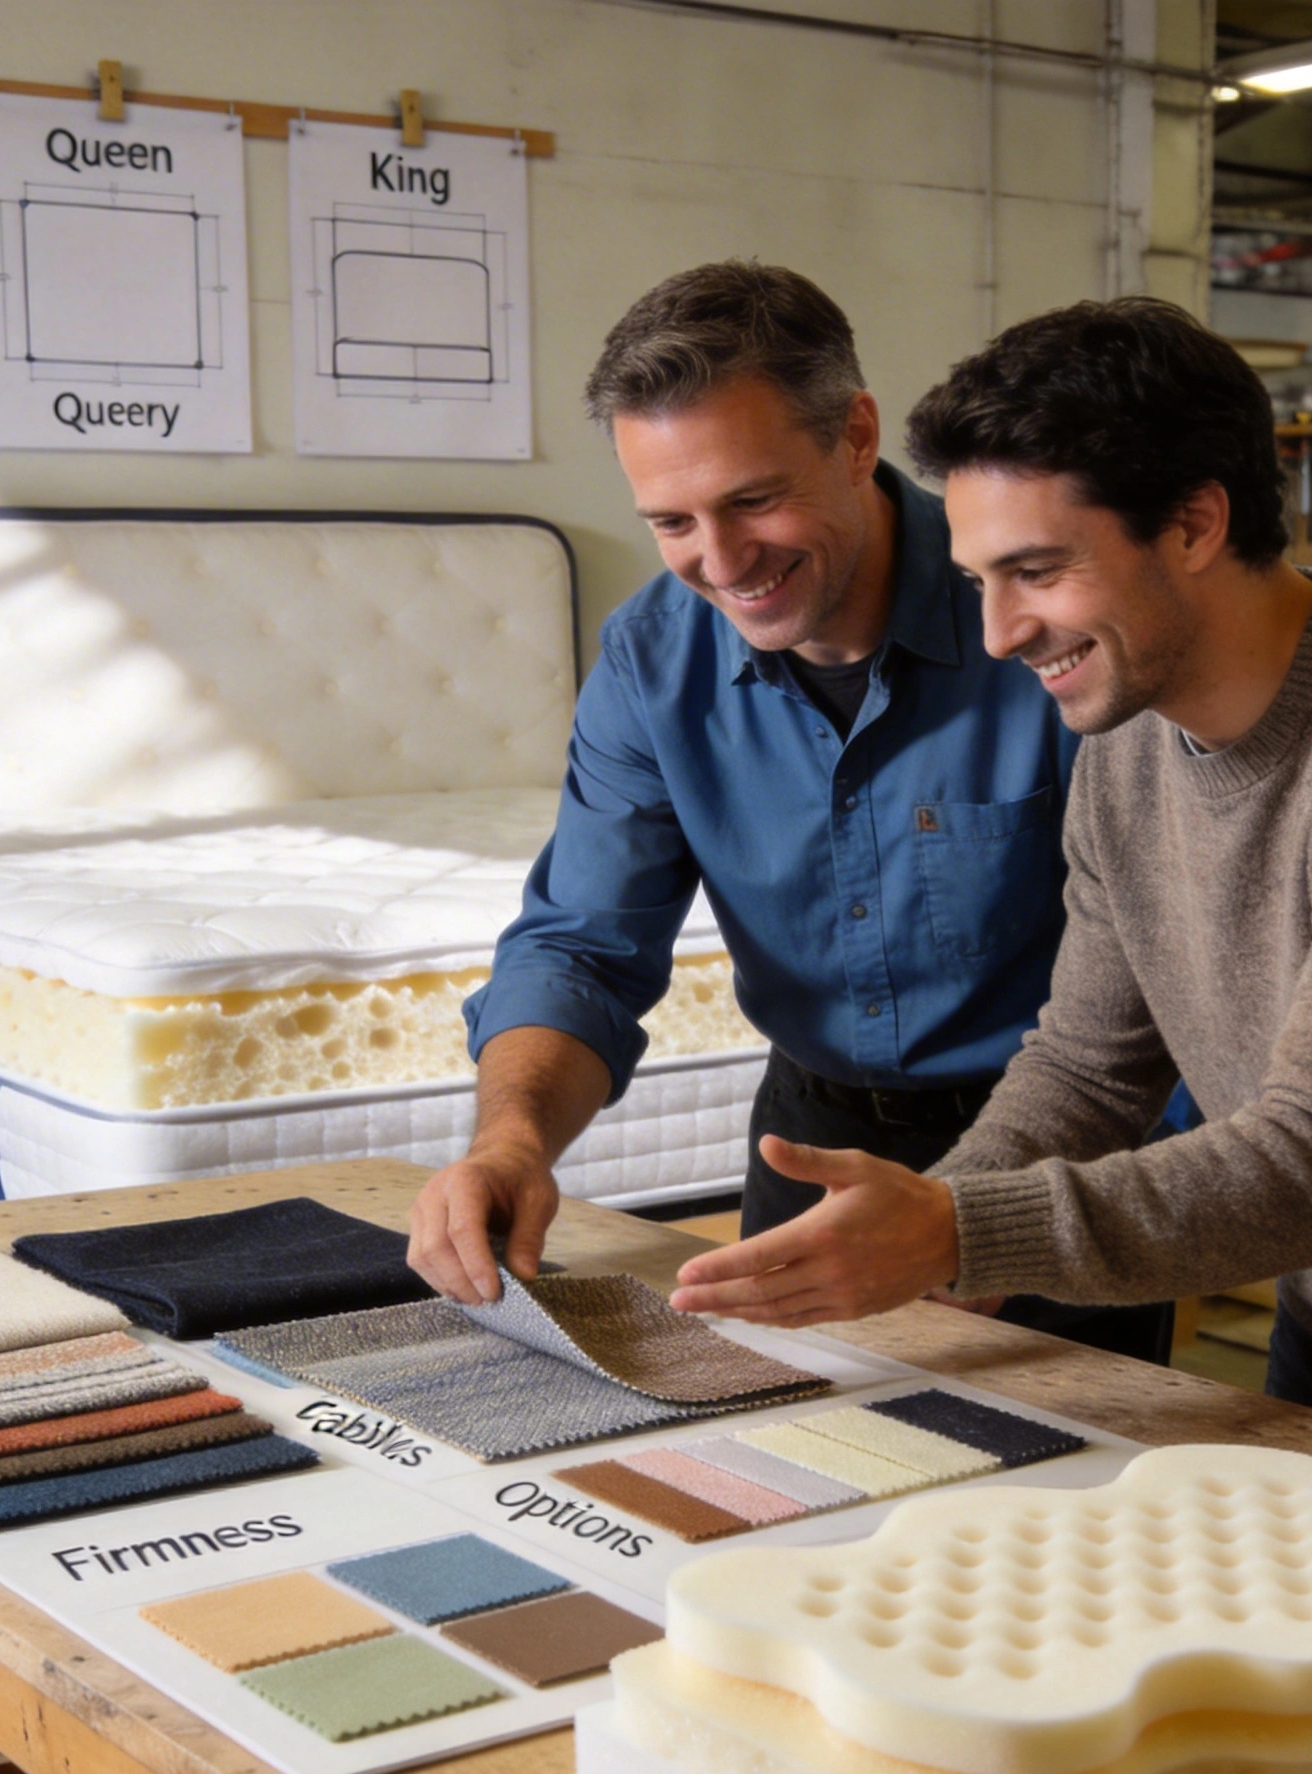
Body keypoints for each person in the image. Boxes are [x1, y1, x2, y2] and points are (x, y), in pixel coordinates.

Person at [669, 295, 1312, 1496]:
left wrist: (957, 1232)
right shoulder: (1129, 732)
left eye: (1035, 570)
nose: (997, 633)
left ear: (1193, 522)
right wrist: (932, 1221)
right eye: (977, 578)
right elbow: (1088, 1066)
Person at [407, 262, 1168, 1361]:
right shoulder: (650, 659)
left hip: (1060, 1152)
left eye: (752, 500)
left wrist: (977, 1217)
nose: (720, 562)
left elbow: (1150, 976)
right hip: (808, 1142)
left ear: (856, 436)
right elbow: (581, 945)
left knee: (1069, 1469)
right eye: (671, 520)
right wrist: (511, 1143)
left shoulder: (1040, 618)